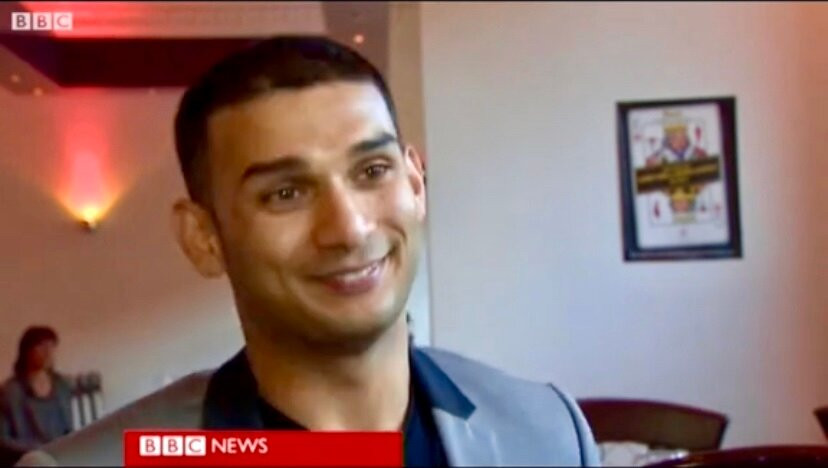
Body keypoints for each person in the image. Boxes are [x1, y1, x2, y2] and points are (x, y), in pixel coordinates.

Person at [17, 36, 599, 466]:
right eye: (286, 193)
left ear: (416, 184)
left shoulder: (549, 433)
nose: (349, 229)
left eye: (372, 170)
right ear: (203, 238)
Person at [1, 327, 73, 461]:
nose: (48, 352)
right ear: (27, 351)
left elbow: (68, 428)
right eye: (41, 346)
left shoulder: (61, 385)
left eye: (52, 346)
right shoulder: (10, 391)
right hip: (28, 458)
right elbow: (3, 440)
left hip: (61, 454)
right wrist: (38, 450)